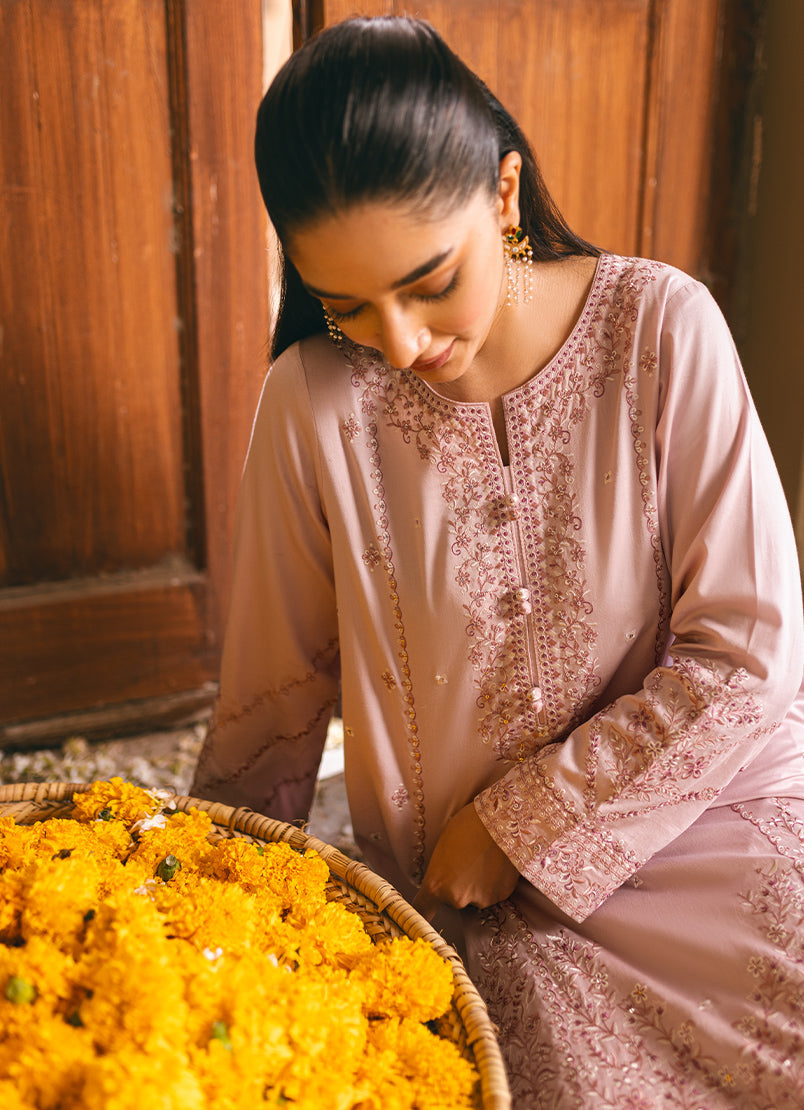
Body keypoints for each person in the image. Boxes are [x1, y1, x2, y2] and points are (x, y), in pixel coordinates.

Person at [191, 15, 804, 1108]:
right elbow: (269, 708)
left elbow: (748, 655)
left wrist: (524, 820)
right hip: (484, 902)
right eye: (347, 305)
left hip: (714, 820)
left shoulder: (665, 330)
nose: (402, 340)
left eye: (431, 282)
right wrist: (204, 910)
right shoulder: (312, 401)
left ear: (505, 194)